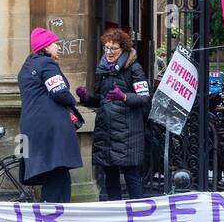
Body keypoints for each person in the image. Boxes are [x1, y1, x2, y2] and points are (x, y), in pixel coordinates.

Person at [76, 28, 150, 201]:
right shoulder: (103, 70)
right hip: (107, 132)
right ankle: (115, 213)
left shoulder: (134, 68)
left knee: (131, 175)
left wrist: (124, 97)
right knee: (110, 176)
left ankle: (137, 213)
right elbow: (102, 99)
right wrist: (86, 98)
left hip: (128, 133)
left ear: (123, 49)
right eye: (106, 48)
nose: (108, 52)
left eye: (113, 48)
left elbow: (145, 98)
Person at [17, 27, 83, 203]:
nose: (59, 47)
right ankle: (50, 218)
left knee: (58, 173)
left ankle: (62, 214)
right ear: (45, 47)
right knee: (55, 174)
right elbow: (59, 92)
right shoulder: (47, 64)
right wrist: (73, 101)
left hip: (31, 127)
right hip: (50, 128)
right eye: (55, 44)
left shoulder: (26, 66)